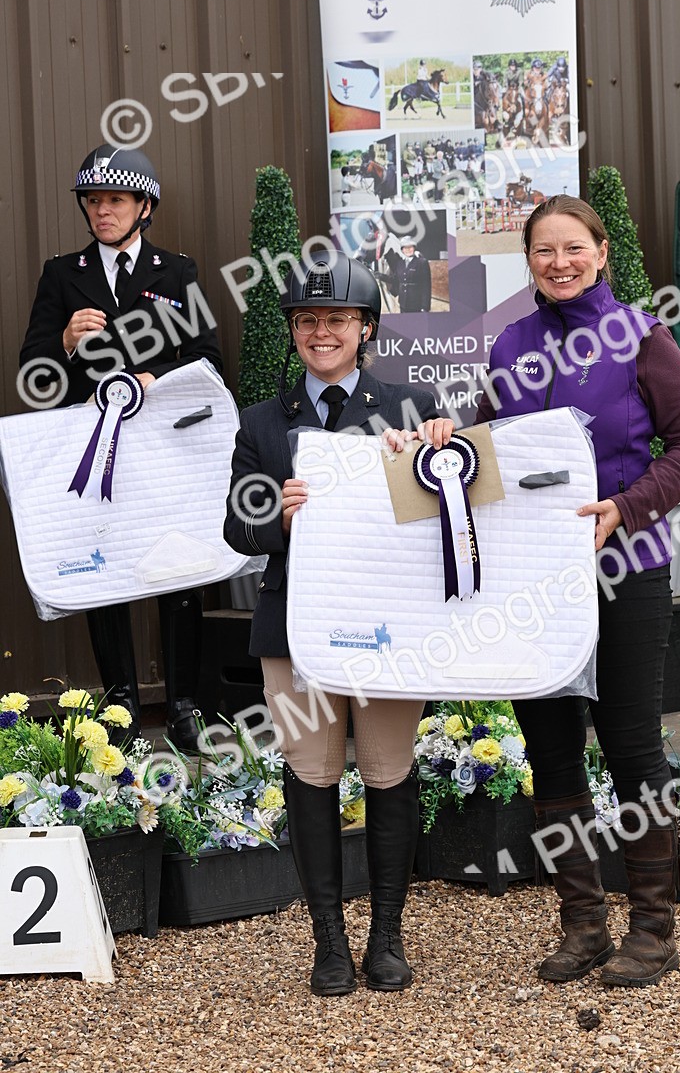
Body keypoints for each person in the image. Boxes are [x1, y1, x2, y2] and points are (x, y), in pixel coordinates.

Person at [475, 195, 680, 988]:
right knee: (549, 752)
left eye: (573, 248)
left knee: (632, 747)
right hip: (533, 583)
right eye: (543, 251)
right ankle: (583, 927)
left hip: (625, 572)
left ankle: (654, 928)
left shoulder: (642, 338)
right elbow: (485, 453)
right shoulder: (509, 344)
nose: (559, 263)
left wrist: (626, 508)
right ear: (529, 261)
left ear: (602, 252)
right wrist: (446, 441)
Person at [223, 252, 452, 996]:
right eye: (308, 321)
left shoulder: (413, 406)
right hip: (296, 627)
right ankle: (328, 941)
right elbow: (236, 525)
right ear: (294, 331)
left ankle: (386, 935)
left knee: (389, 772)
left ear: (366, 328)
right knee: (311, 775)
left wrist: (441, 451)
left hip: (388, 624)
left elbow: (452, 512)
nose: (322, 332)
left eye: (337, 320)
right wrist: (276, 515)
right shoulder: (261, 421)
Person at [19, 144, 223, 750]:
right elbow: (33, 377)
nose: (102, 210)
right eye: (93, 200)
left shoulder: (177, 271)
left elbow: (210, 360)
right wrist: (63, 342)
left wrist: (153, 382)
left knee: (178, 566)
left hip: (163, 448)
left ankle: (184, 702)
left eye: (114, 199)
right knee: (102, 566)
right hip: (94, 452)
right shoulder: (62, 274)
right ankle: (122, 706)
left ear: (144, 205)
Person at [394, 240, 432, 312]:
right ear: (402, 250)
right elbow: (396, 280)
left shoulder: (421, 262)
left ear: (414, 248)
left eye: (410, 247)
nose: (408, 250)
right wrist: (381, 276)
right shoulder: (400, 263)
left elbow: (426, 285)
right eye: (405, 248)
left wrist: (425, 306)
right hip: (403, 304)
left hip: (417, 304)